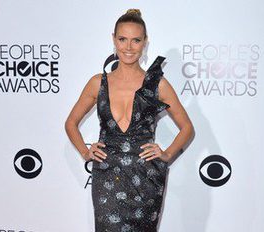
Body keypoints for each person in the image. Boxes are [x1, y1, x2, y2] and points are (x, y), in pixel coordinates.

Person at [64, 9, 194, 231]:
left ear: (145, 42)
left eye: (136, 40)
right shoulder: (98, 83)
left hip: (146, 177)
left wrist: (167, 154)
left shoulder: (157, 84)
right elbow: (71, 123)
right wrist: (86, 152)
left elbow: (187, 128)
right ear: (113, 39)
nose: (128, 47)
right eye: (123, 39)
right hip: (106, 175)